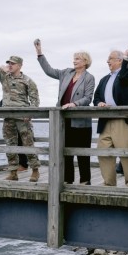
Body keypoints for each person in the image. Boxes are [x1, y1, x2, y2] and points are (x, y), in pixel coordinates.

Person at [0, 39, 41, 182]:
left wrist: (30, 114)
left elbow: (35, 100)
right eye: (8, 63)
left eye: (12, 63)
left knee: (28, 144)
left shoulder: (28, 81)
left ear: (20, 65)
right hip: (8, 117)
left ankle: (35, 170)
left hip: (23, 117)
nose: (9, 65)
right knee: (10, 145)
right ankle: (13, 172)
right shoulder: (4, 78)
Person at [35, 39, 95, 185]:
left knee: (82, 153)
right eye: (74, 58)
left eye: (78, 59)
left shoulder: (89, 78)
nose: (74, 61)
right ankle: (68, 180)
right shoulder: (66, 73)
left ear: (85, 61)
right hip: (64, 120)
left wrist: (74, 103)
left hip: (81, 121)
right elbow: (49, 70)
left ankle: (85, 180)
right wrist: (39, 53)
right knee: (65, 152)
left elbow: (88, 98)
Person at [93, 46, 128, 187]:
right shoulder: (103, 79)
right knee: (103, 152)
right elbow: (96, 97)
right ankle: (109, 184)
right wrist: (99, 103)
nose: (107, 61)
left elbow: (125, 77)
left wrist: (127, 56)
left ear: (120, 61)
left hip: (124, 120)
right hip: (106, 120)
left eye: (110, 59)